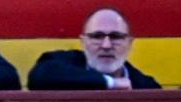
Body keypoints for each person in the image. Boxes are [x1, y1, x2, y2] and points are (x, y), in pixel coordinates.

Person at [28, 8, 161, 90]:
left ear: (130, 43)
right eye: (97, 36)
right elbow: (40, 76)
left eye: (116, 37)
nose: (106, 45)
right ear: (83, 42)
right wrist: (111, 83)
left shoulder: (144, 85)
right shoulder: (60, 63)